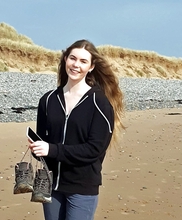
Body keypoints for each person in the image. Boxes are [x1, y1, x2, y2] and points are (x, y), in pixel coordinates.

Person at [29, 39, 124, 220]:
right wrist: (37, 148)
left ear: (91, 67)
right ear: (65, 59)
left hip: (82, 187)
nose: (76, 65)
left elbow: (94, 149)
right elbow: (43, 146)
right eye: (73, 58)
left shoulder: (100, 103)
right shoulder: (48, 100)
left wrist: (52, 149)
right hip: (51, 185)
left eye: (83, 61)